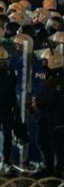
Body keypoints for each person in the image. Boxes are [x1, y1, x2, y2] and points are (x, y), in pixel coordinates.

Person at [35, 47, 64, 177]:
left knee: (57, 145)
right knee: (44, 141)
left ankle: (57, 171)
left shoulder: (58, 80)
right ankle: (50, 168)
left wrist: (38, 102)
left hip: (56, 120)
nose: (43, 64)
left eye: (45, 62)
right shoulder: (51, 78)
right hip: (48, 118)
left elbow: (51, 98)